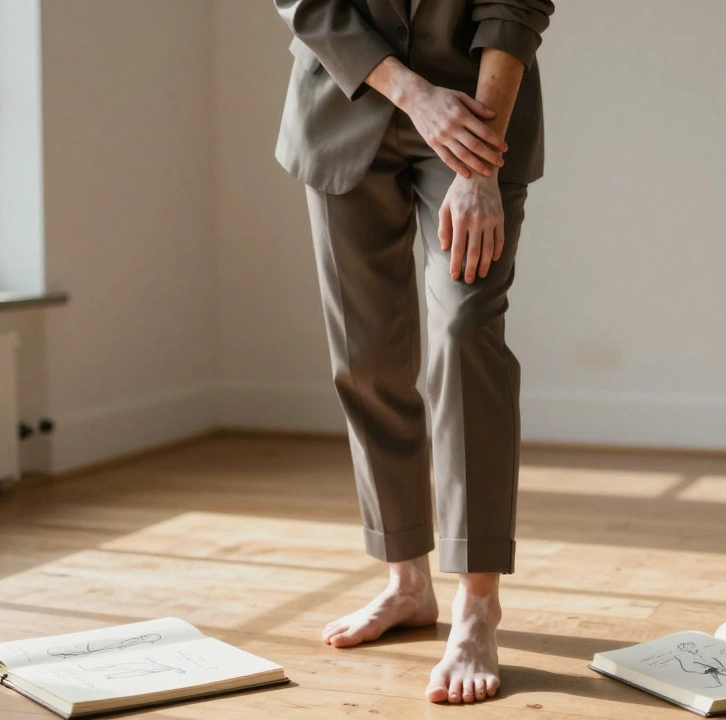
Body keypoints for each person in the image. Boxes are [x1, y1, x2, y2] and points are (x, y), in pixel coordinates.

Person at [273, 0, 554, 704]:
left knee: (465, 335)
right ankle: (406, 582)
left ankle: (478, 602)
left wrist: (482, 165)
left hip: (477, 115)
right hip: (343, 104)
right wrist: (411, 92)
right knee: (366, 357)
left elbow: (515, 5)